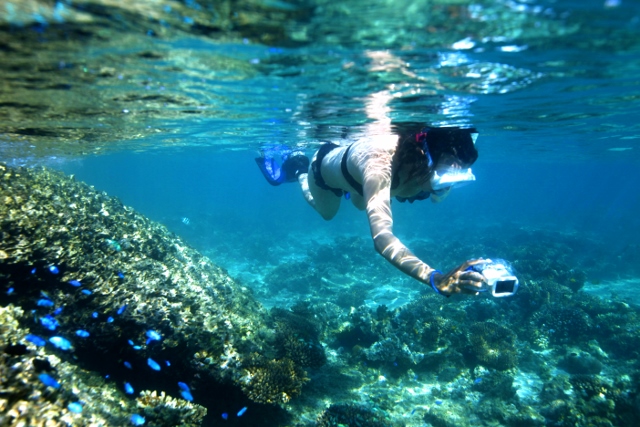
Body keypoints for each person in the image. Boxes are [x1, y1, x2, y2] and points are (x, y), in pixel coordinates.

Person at [256, 126, 489, 296]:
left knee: (360, 204)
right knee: (327, 213)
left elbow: (438, 192)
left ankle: (354, 188)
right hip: (324, 172)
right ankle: (299, 170)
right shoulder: (379, 166)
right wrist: (435, 278)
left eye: (457, 180)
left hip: (359, 177)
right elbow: (382, 238)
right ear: (423, 159)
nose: (447, 187)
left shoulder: (424, 166)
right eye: (445, 178)